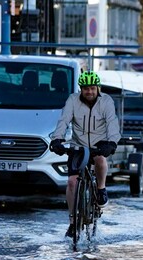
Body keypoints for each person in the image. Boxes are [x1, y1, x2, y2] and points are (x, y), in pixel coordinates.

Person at [49, 71, 121, 238]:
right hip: (78, 145)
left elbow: (112, 123)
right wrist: (57, 139)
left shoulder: (106, 101)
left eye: (92, 88)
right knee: (72, 182)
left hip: (100, 143)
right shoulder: (72, 100)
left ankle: (101, 189)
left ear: (98, 88)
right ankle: (73, 222)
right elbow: (64, 121)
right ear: (81, 89)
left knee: (101, 161)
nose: (89, 92)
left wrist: (112, 143)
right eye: (86, 89)